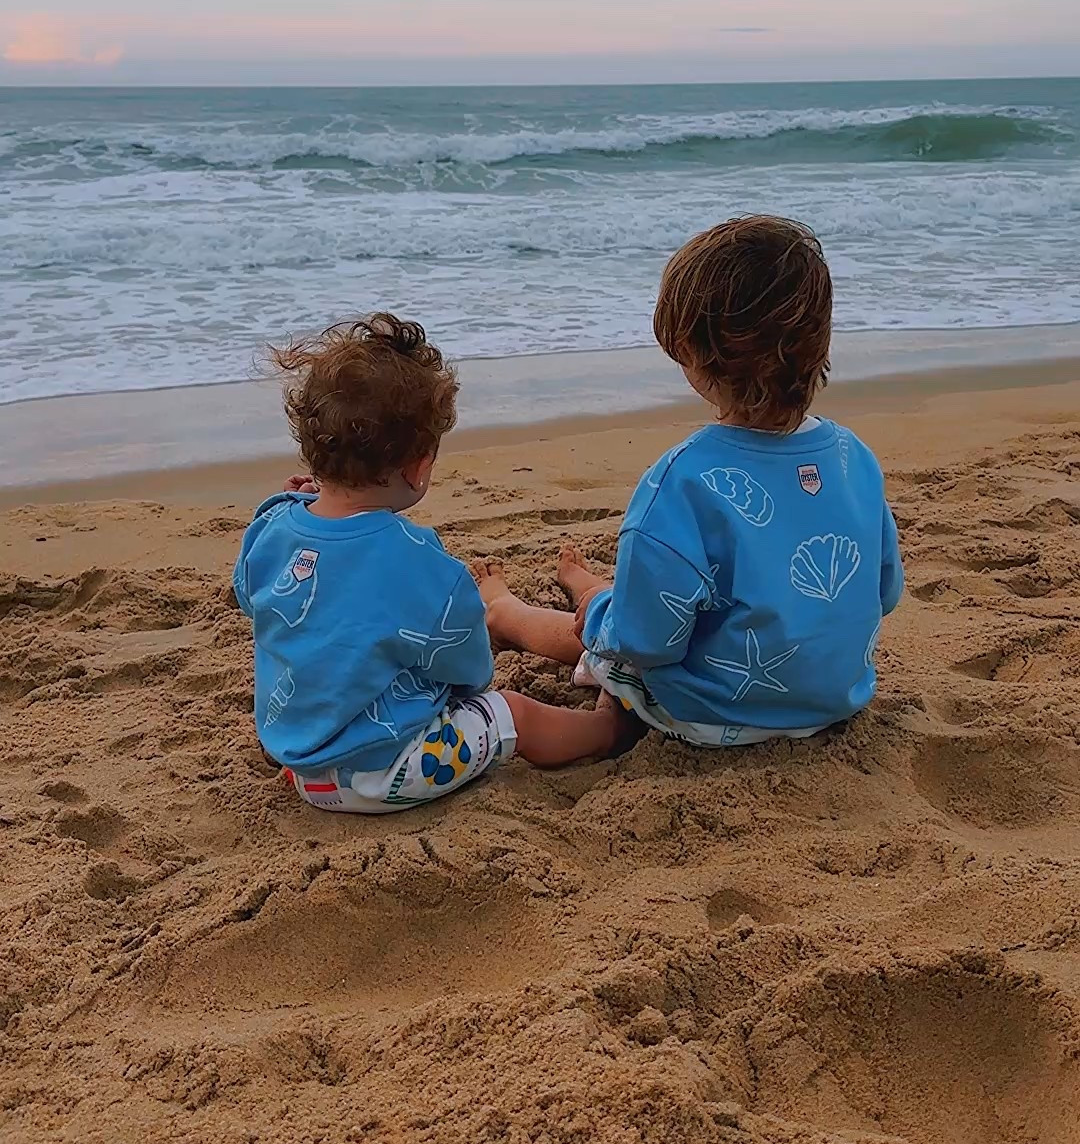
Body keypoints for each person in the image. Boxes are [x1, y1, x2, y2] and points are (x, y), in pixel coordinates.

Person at [474, 216, 904, 748]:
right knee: (632, 603)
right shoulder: (851, 458)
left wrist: (604, 621)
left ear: (697, 357)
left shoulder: (682, 483)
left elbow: (646, 644)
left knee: (599, 633)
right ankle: (587, 586)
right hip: (831, 701)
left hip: (718, 713)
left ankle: (506, 611)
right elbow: (885, 593)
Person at [233, 314, 624, 813]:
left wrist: (291, 509)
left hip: (298, 760)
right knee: (513, 713)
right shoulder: (418, 561)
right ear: (418, 467)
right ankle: (605, 730)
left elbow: (251, 595)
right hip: (385, 773)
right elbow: (471, 670)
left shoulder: (271, 528)